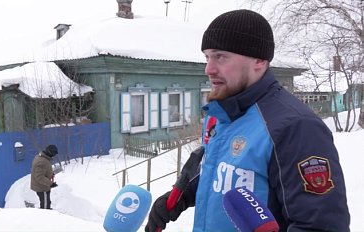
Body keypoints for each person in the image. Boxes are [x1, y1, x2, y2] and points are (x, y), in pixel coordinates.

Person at [145, 9, 350, 232]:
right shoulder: (219, 115)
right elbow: (224, 176)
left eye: (220, 56)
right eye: (207, 57)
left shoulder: (296, 127)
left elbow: (321, 226)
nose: (209, 69)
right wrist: (183, 196)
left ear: (259, 60)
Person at [30, 144, 59, 209]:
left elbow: (43, 171)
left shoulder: (40, 157)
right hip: (42, 188)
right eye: (54, 154)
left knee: (46, 202)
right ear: (50, 152)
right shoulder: (42, 161)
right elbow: (39, 177)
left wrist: (51, 173)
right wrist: (50, 184)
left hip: (42, 186)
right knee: (45, 206)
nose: (54, 156)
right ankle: (45, 217)